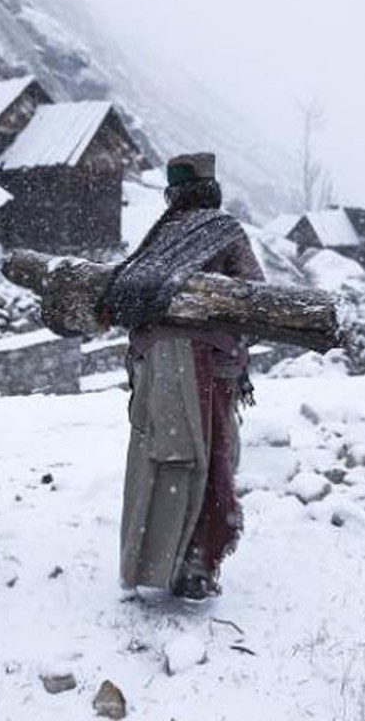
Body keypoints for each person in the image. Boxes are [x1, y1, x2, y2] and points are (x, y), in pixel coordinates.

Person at [98, 152, 264, 600]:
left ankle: (152, 563)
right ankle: (195, 568)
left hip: (156, 369)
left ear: (175, 194)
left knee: (157, 462)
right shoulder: (224, 233)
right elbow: (254, 297)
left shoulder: (162, 234)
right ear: (211, 190)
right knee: (208, 464)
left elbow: (128, 295)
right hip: (208, 369)